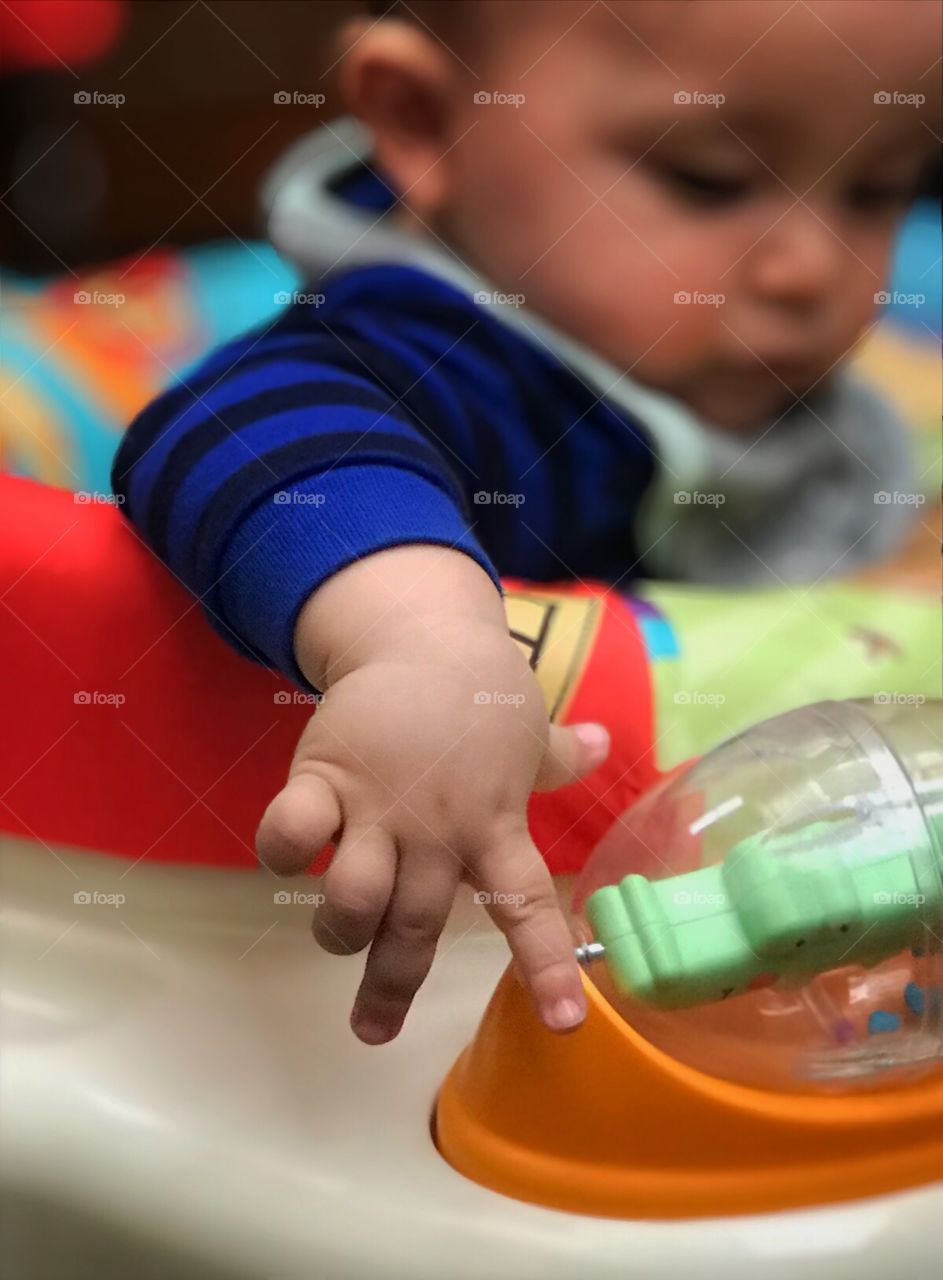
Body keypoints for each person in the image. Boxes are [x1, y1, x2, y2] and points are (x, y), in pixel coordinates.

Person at [111, 0, 941, 1046]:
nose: (810, 269)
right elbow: (241, 426)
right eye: (707, 177)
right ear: (425, 118)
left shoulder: (743, 364)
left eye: (879, 188)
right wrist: (417, 645)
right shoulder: (463, 355)